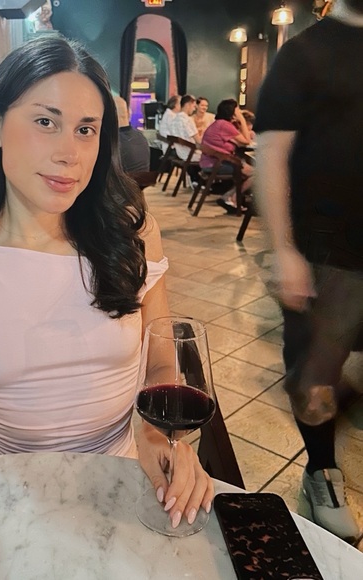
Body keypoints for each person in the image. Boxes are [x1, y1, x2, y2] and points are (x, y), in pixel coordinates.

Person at [0, 35, 213, 529]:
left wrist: (157, 432)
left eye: (86, 129)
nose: (70, 153)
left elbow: (160, 357)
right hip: (7, 498)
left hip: (124, 481)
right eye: (46, 122)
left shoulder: (133, 238)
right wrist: (29, 518)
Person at [254, 0, 363, 543]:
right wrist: (283, 249)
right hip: (326, 252)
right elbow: (270, 152)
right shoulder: (303, 53)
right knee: (317, 375)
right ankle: (323, 472)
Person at [200, 99, 253, 214]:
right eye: (237, 109)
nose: (239, 111)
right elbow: (246, 141)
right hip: (217, 164)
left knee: (249, 169)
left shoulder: (220, 123)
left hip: (212, 161)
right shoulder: (224, 125)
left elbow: (239, 142)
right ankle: (231, 197)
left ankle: (232, 198)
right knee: (257, 174)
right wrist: (242, 119)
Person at [114, 96, 150, 173]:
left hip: (122, 180)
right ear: (128, 113)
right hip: (143, 180)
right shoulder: (141, 137)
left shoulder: (113, 141)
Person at [166, 95, 201, 162]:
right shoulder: (188, 120)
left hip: (180, 153)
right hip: (191, 154)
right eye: (194, 106)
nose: (194, 109)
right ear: (188, 105)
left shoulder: (174, 120)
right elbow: (198, 141)